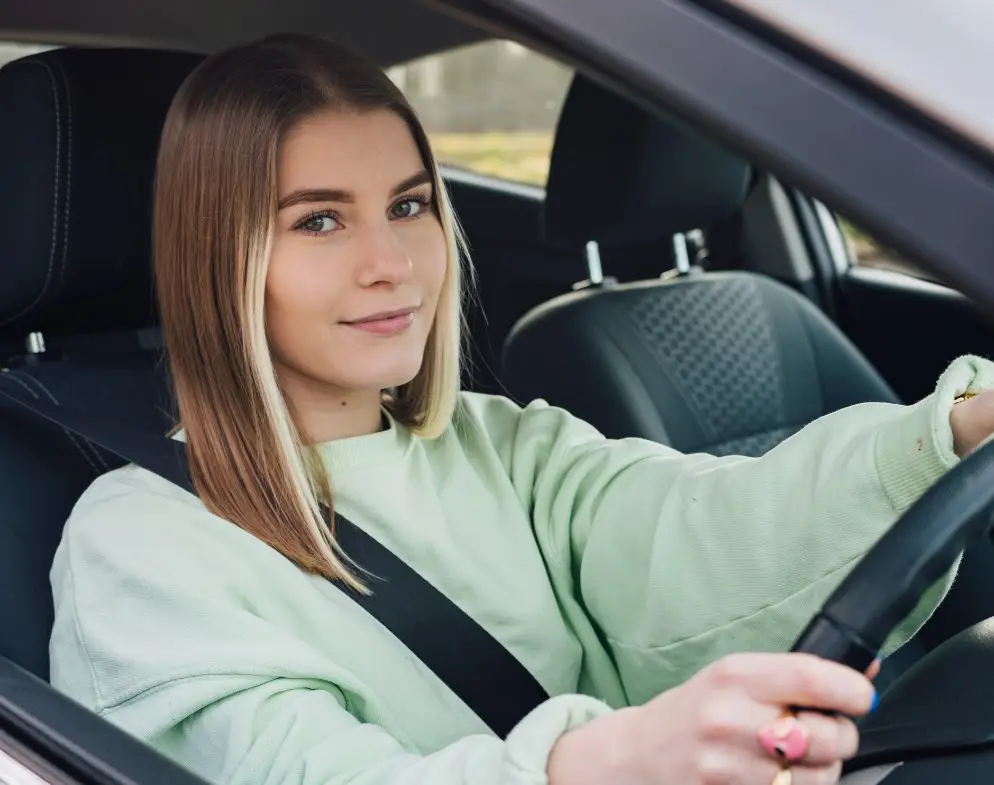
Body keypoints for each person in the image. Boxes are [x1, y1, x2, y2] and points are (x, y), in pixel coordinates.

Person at [48, 32, 994, 785]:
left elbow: (702, 527)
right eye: (320, 220)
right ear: (221, 258)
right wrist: (599, 764)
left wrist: (951, 432)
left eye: (410, 205)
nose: (393, 262)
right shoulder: (139, 545)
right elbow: (301, 772)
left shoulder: (497, 443)